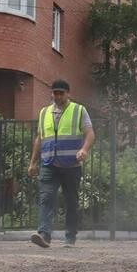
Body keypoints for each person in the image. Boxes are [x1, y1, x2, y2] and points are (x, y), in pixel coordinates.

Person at [27, 80, 95, 248]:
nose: (57, 96)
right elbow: (40, 139)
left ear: (68, 94)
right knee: (46, 197)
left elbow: (90, 133)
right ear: (51, 94)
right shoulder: (44, 112)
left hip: (71, 164)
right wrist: (32, 163)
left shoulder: (78, 110)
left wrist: (84, 150)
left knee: (71, 200)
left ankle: (70, 237)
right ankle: (44, 235)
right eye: (55, 93)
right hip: (49, 164)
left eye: (61, 93)